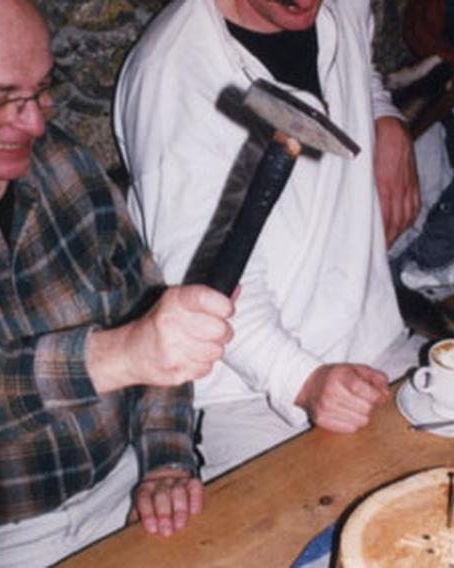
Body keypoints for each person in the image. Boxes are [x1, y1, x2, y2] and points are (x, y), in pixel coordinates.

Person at [0, 0, 234, 565]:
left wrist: (164, 459)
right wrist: (117, 356)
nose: (35, 121)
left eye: (42, 88)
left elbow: (151, 316)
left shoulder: (63, 161)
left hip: (125, 484)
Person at [114, 0, 424, 480]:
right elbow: (207, 290)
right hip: (255, 394)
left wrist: (386, 119)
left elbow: (356, 60)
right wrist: (303, 380)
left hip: (376, 342)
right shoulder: (174, 75)